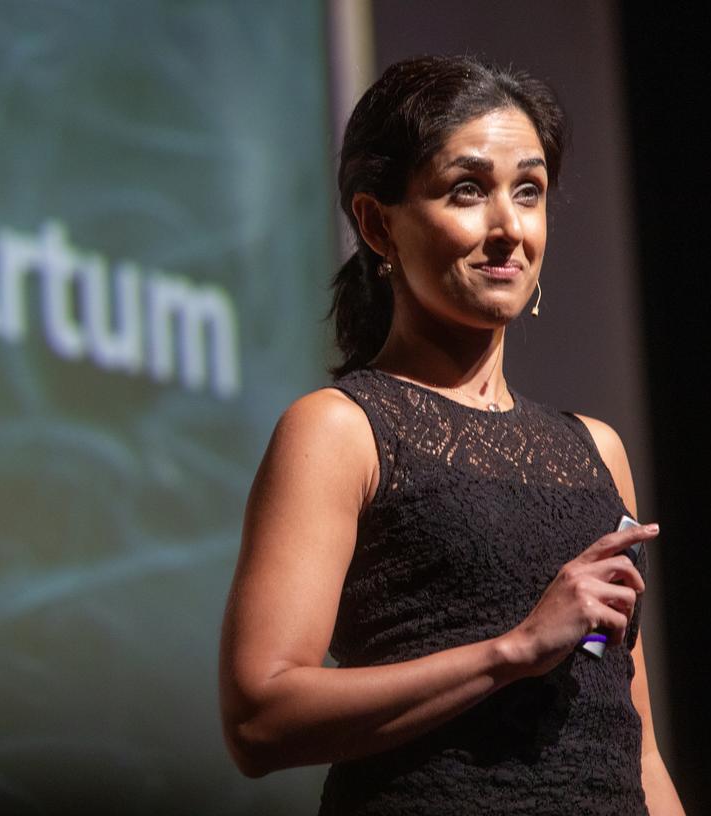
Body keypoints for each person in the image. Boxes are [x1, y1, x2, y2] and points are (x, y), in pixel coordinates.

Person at [219, 55, 684, 815]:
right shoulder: (342, 429)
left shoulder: (595, 450)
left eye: (528, 192)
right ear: (378, 224)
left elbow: (635, 746)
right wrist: (514, 651)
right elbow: (258, 717)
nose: (508, 228)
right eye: (467, 190)